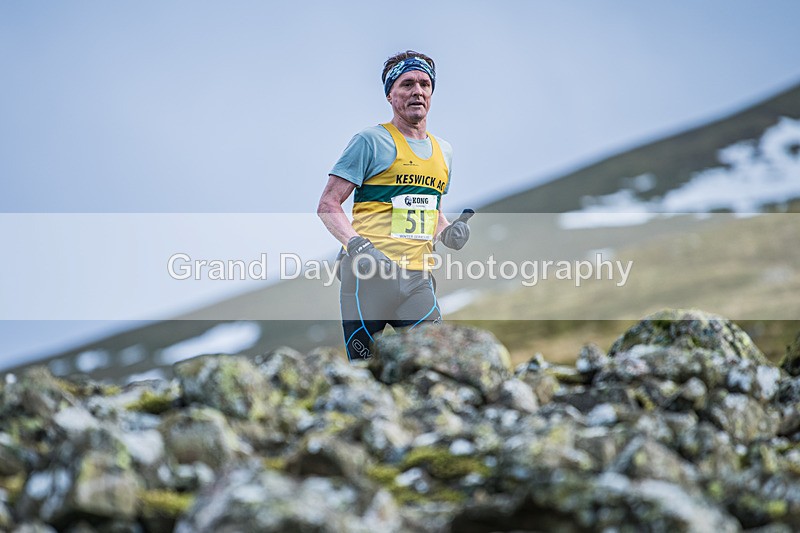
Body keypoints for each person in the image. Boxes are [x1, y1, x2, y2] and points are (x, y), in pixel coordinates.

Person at [317, 50, 471, 362]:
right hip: (368, 277)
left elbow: (431, 208)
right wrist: (356, 244)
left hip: (417, 280)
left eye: (425, 84)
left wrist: (448, 231)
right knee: (363, 372)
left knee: (433, 363)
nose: (418, 91)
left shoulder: (445, 151)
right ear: (390, 94)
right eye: (407, 84)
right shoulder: (370, 141)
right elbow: (328, 204)